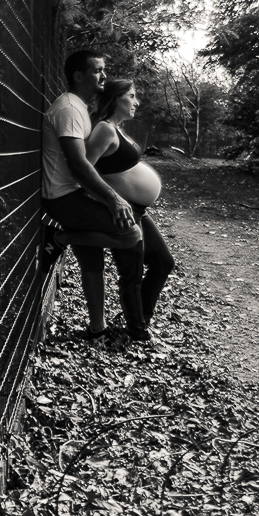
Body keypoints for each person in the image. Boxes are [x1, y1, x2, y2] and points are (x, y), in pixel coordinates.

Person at [41, 50, 151, 341]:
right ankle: (58, 238)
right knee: (131, 234)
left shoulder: (80, 108)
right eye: (97, 70)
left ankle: (96, 328)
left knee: (91, 260)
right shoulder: (69, 109)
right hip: (63, 197)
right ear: (79, 76)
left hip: (74, 193)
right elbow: (79, 165)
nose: (104, 76)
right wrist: (112, 199)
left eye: (103, 70)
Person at [75, 78, 175, 338]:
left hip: (136, 209)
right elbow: (84, 172)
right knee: (132, 271)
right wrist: (110, 201)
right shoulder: (104, 130)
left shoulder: (115, 128)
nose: (136, 102)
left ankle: (140, 319)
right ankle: (137, 330)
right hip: (123, 210)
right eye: (131, 96)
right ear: (114, 99)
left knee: (163, 262)